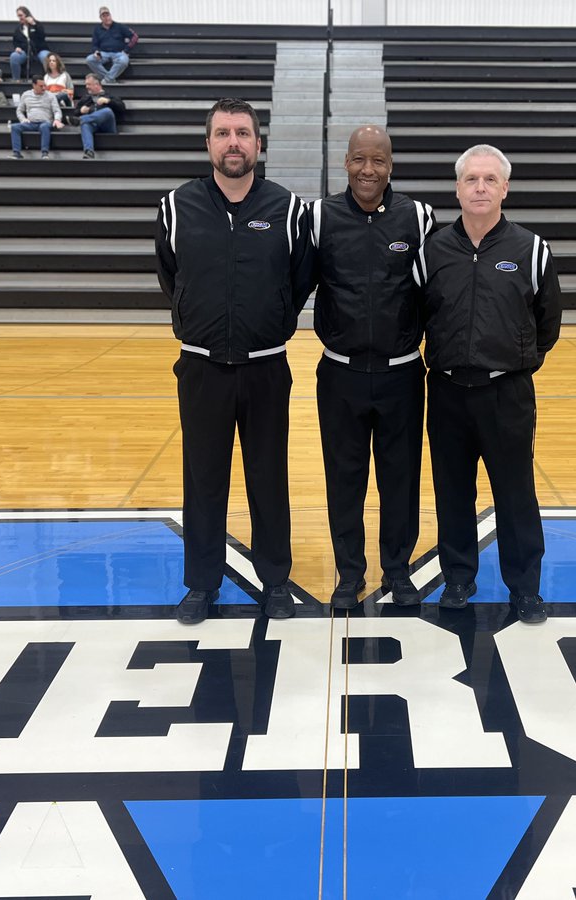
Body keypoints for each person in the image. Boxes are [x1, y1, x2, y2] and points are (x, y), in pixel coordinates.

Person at [154, 98, 313, 625]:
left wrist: (272, 319)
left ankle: (274, 581)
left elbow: (301, 278)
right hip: (201, 368)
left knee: (268, 477)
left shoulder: (287, 209)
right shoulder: (176, 207)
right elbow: (170, 275)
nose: (233, 143)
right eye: (223, 133)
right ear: (208, 144)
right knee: (203, 479)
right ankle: (201, 584)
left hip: (266, 367)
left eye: (243, 133)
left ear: (258, 144)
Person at [422, 144, 561, 625]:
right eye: (470, 179)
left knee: (515, 492)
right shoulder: (433, 249)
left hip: (507, 394)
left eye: (489, 179)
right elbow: (418, 315)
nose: (480, 187)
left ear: (505, 188)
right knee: (452, 491)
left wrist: (516, 362)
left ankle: (524, 588)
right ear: (457, 188)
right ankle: (458, 578)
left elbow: (548, 322)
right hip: (445, 392)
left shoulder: (530, 249)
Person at [307, 125, 435, 610]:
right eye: (359, 160)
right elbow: (297, 283)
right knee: (345, 478)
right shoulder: (319, 217)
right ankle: (350, 573)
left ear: (390, 166)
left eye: (377, 161)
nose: (368, 170)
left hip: (402, 372)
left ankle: (398, 571)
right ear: (346, 163)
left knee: (400, 478)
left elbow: (433, 293)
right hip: (339, 373)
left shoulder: (418, 218)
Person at [73, 73, 126, 159]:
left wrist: (108, 101)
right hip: (93, 126)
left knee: (107, 111)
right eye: (86, 84)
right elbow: (75, 112)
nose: (86, 86)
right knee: (85, 124)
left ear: (97, 84)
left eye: (89, 84)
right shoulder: (85, 98)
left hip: (108, 127)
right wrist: (80, 110)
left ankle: (81, 119)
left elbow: (122, 108)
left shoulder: (109, 95)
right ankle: (89, 151)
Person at [9, 76, 63, 159]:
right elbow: (19, 110)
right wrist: (23, 119)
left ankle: (45, 153)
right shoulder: (26, 95)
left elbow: (57, 110)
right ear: (34, 85)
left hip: (45, 122)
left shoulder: (50, 96)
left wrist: (57, 119)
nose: (44, 88)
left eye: (44, 85)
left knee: (44, 126)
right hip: (30, 123)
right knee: (15, 127)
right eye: (41, 86)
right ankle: (16, 153)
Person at [86, 6, 133, 84]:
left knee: (124, 61)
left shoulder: (119, 26)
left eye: (107, 15)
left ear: (110, 15)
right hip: (103, 53)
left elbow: (134, 37)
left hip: (119, 53)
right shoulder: (97, 29)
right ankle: (110, 79)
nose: (106, 17)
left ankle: (107, 80)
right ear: (100, 18)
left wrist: (126, 50)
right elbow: (94, 45)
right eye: (104, 16)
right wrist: (96, 52)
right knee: (90, 59)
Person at [9, 6, 50, 81]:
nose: (19, 18)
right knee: (14, 57)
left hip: (39, 51)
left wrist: (34, 24)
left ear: (27, 15)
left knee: (46, 56)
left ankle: (50, 79)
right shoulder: (18, 29)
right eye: (18, 16)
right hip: (25, 51)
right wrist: (17, 47)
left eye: (21, 15)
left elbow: (42, 36)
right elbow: (15, 41)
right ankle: (16, 80)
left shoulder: (37, 25)